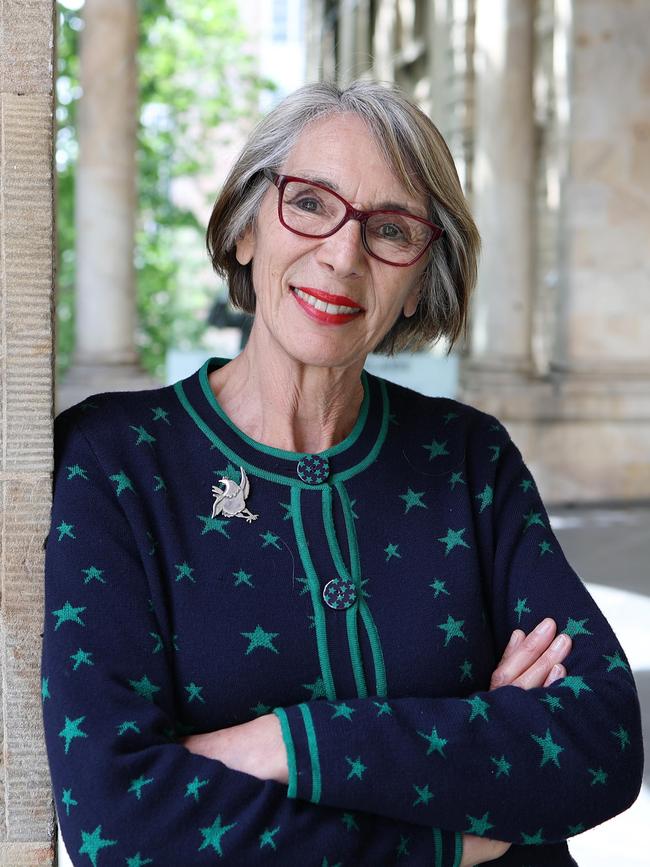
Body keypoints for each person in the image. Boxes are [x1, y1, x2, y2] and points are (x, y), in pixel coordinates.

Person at [42, 81, 643, 866]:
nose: (343, 253)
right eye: (312, 203)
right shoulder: (114, 458)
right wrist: (456, 820)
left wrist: (283, 744)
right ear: (248, 225)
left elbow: (602, 740)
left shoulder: (470, 457)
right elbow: (120, 823)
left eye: (391, 228)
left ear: (421, 277)